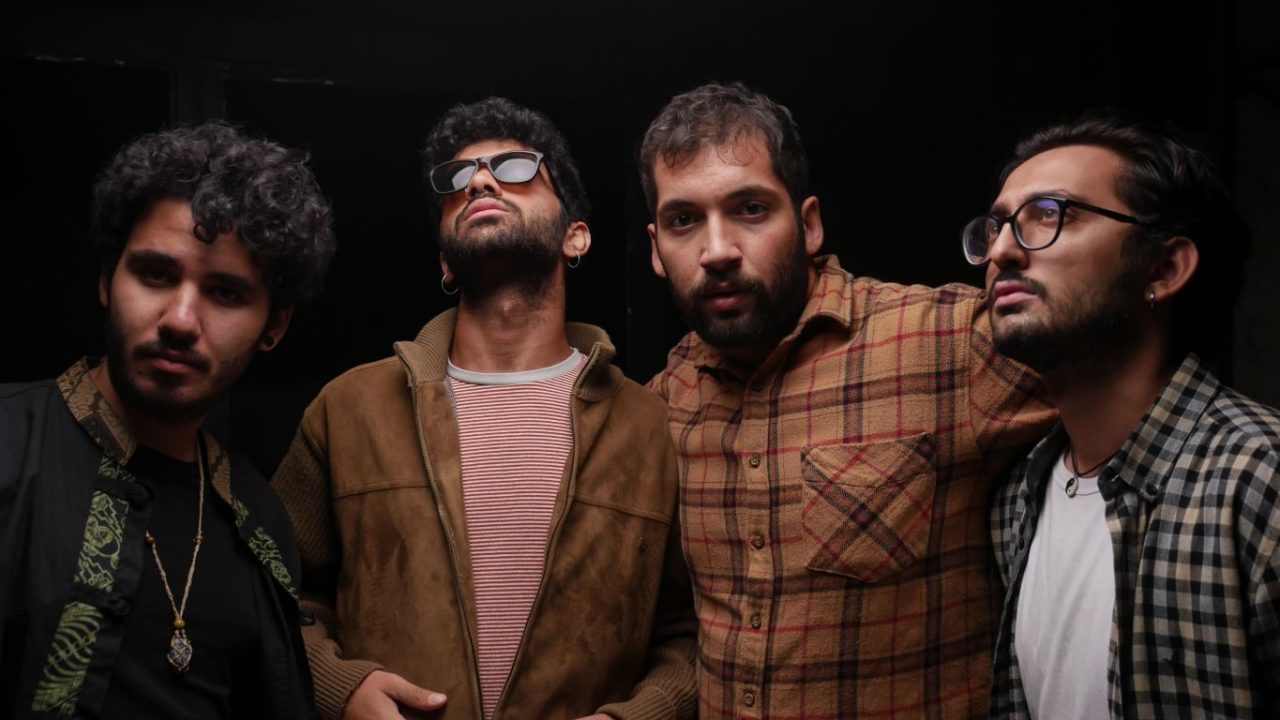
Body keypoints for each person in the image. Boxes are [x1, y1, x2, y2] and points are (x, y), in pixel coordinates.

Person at [640, 82, 1056, 719]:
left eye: (750, 209)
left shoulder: (947, 345)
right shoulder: (661, 404)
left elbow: (1122, 370)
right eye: (683, 220)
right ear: (655, 250)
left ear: (808, 224)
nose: (717, 250)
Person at [273, 97, 696, 720]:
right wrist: (342, 688)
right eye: (457, 178)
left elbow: (690, 629)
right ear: (446, 259)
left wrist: (634, 718)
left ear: (575, 236)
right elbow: (272, 595)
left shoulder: (651, 425)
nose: (478, 183)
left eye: (516, 168)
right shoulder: (347, 411)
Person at [0, 123, 336, 719]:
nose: (180, 319)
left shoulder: (260, 522)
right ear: (108, 280)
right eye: (156, 274)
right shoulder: (8, 440)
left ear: (273, 327)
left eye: (225, 293)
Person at [973, 114, 1280, 718]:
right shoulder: (1018, 495)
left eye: (1051, 214)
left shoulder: (1259, 480)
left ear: (1163, 269)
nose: (1002, 250)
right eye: (998, 226)